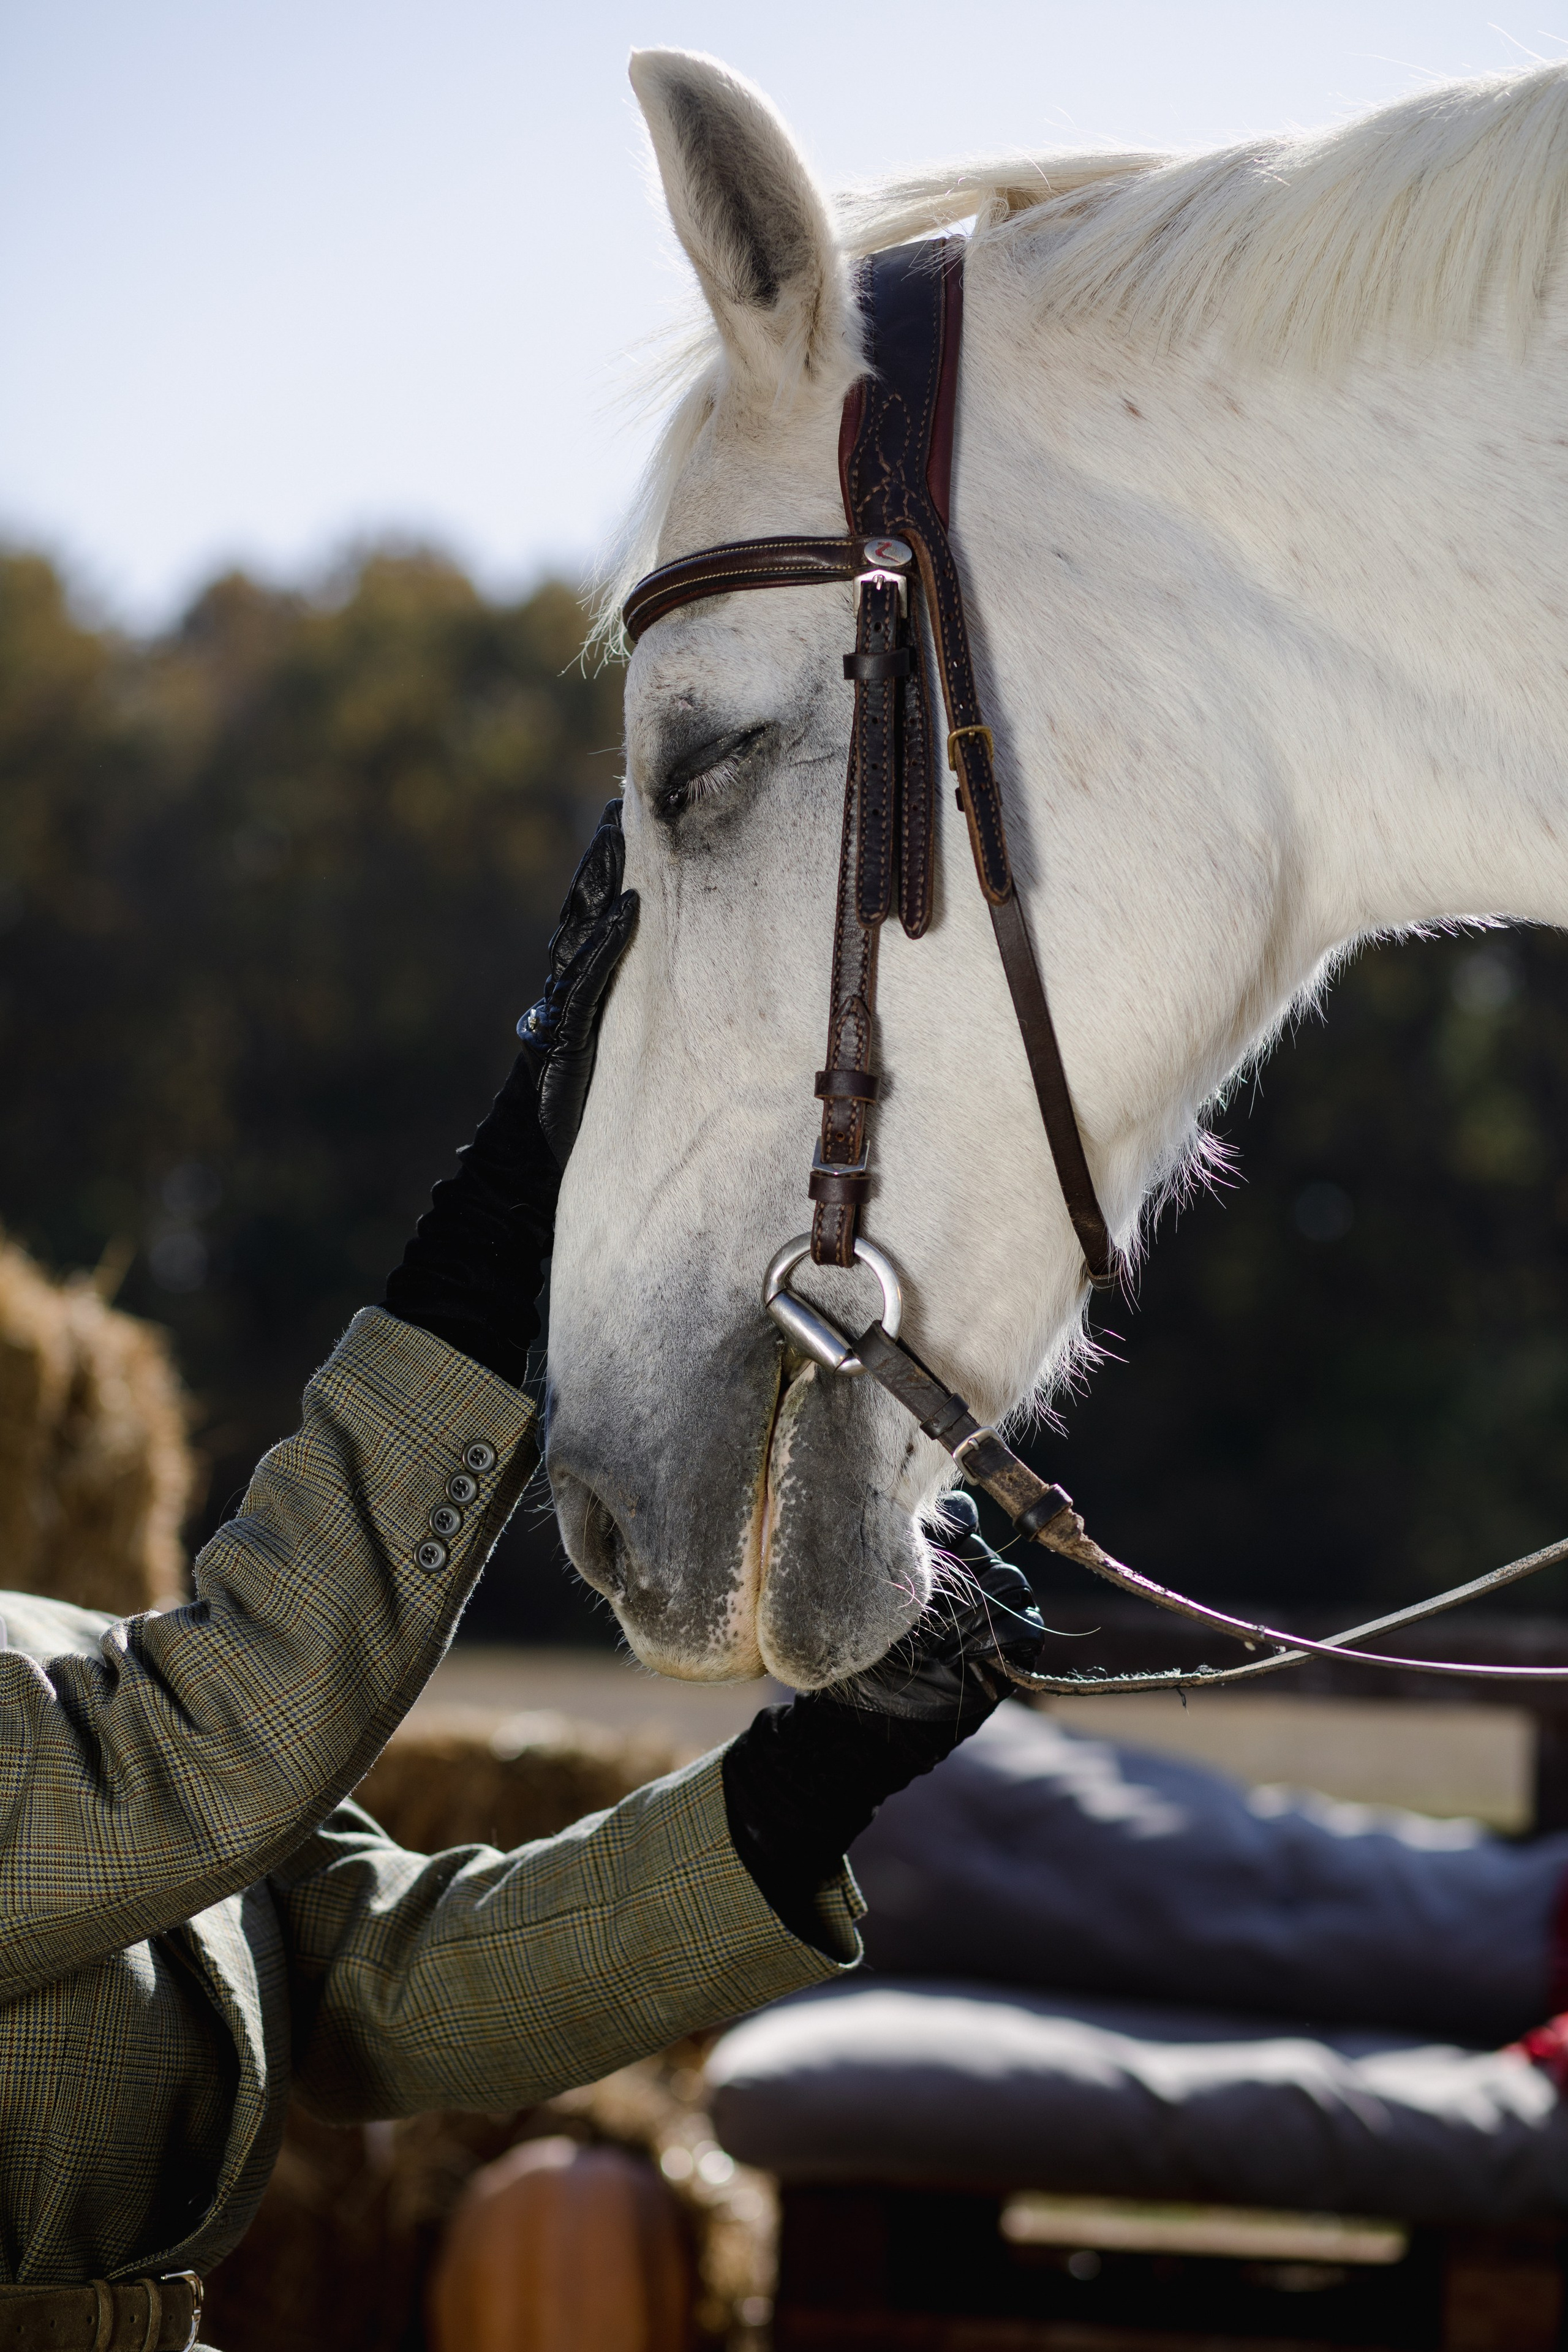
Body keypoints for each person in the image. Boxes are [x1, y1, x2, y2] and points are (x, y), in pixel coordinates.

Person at [0, 803, 1046, 2352]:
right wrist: (518, 1183)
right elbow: (227, 1735)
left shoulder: (57, 1656)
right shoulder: (130, 1732)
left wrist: (799, 1787)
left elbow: (385, 1986)